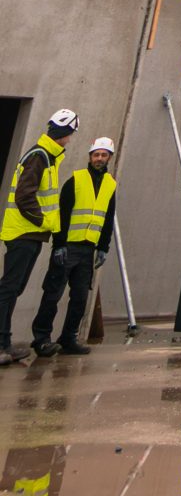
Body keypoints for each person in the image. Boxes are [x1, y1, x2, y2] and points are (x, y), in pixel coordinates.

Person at [0, 109, 79, 367]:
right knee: (10, 288)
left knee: (14, 289)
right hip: (24, 232)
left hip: (30, 234)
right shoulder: (40, 157)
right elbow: (25, 196)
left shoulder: (47, 156)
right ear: (66, 134)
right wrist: (44, 222)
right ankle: (1, 344)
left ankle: (4, 343)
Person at [31, 135, 117, 358]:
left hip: (88, 250)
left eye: (103, 155)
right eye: (96, 154)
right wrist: (59, 245)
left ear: (109, 158)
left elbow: (108, 218)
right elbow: (63, 213)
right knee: (53, 294)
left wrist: (104, 247)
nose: (99, 158)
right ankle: (41, 338)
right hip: (68, 246)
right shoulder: (76, 180)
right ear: (90, 156)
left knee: (79, 297)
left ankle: (68, 338)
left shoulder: (110, 185)